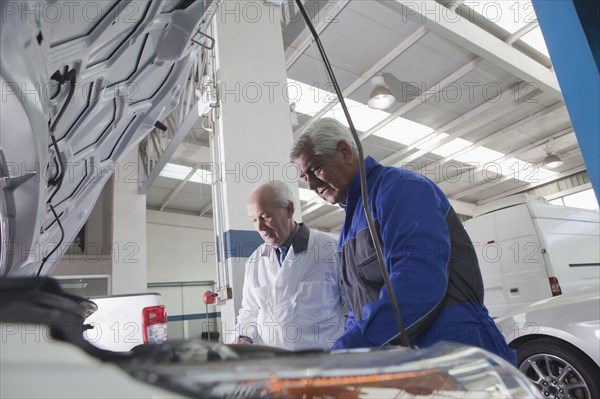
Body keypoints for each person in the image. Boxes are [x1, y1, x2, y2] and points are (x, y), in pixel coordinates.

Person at [289, 117, 516, 364]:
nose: (311, 184)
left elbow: (417, 281)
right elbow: (357, 309)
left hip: (457, 351)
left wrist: (350, 349)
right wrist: (351, 352)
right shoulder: (348, 228)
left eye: (315, 169)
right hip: (407, 361)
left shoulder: (400, 189)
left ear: (345, 151)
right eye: (304, 178)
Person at [233, 180, 344, 350]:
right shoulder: (255, 261)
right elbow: (250, 311)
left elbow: (354, 307)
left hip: (322, 363)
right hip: (273, 364)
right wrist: (244, 337)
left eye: (265, 217)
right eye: (254, 220)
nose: (260, 227)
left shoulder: (330, 250)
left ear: (289, 210)